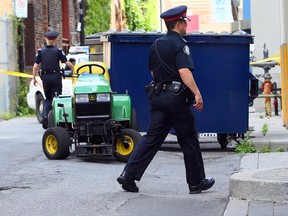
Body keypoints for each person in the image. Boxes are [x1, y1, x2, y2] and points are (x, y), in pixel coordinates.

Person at [117, 5, 215, 194]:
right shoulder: (180, 44)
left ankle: (128, 175)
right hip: (177, 99)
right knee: (188, 138)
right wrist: (197, 93)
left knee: (152, 138)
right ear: (178, 24)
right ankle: (196, 182)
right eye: (184, 23)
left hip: (158, 97)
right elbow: (184, 71)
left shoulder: (156, 45)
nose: (186, 27)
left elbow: (153, 71)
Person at [32, 31, 74, 129]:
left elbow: (35, 66)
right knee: (57, 98)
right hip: (56, 76)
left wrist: (33, 78)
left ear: (46, 39)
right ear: (55, 39)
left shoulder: (40, 52)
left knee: (47, 99)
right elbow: (68, 63)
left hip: (46, 78)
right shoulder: (58, 51)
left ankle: (46, 116)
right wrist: (73, 70)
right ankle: (57, 119)